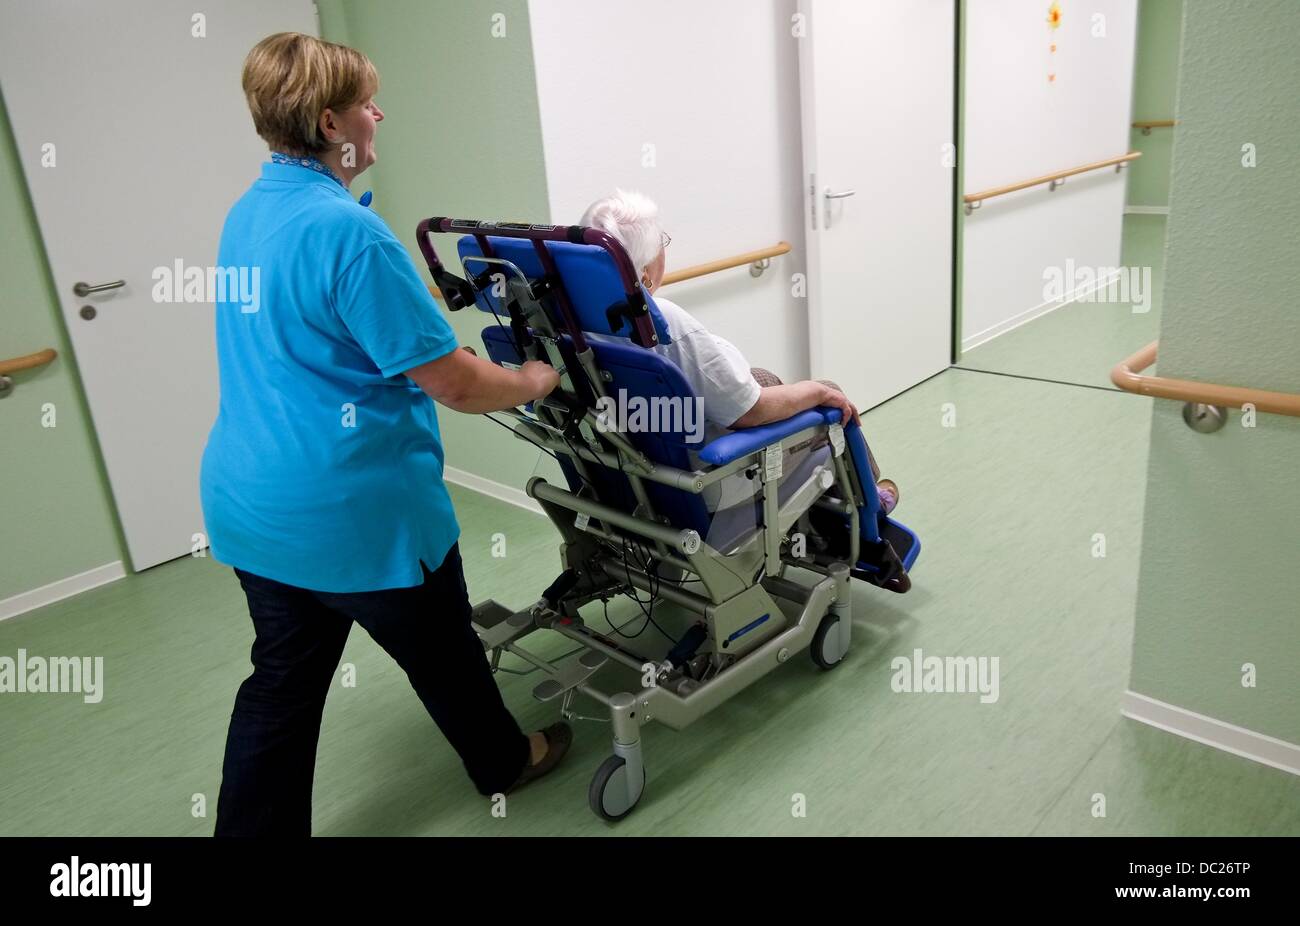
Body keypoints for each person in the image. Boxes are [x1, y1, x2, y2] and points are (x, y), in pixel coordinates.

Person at [200, 32, 569, 837]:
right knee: (445, 654)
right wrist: (536, 379)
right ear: (333, 126)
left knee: (281, 684)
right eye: (367, 101)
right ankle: (507, 762)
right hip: (356, 514)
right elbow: (454, 381)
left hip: (254, 506)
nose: (380, 113)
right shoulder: (350, 237)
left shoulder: (247, 214)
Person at [579, 190, 899, 516]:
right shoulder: (659, 321)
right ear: (645, 269)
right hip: (709, 476)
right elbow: (751, 413)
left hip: (630, 461)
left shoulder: (575, 316)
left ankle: (821, 511)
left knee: (763, 377)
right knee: (829, 394)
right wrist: (817, 391)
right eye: (662, 241)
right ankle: (871, 508)